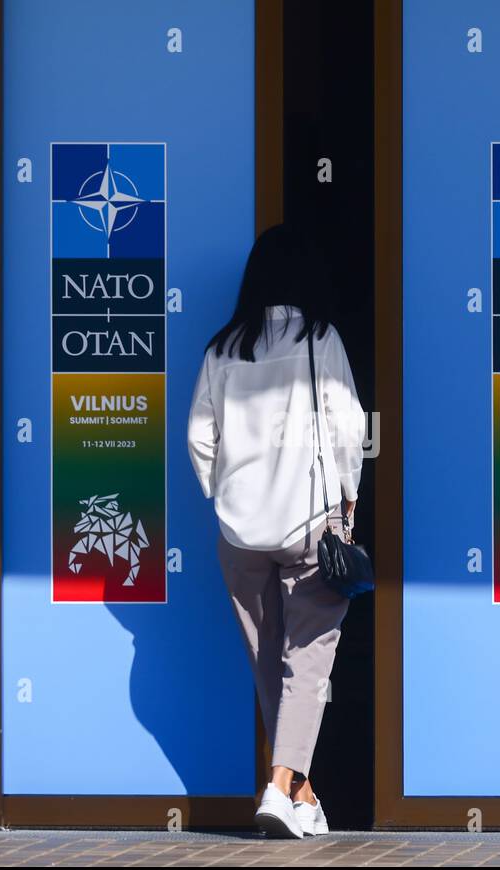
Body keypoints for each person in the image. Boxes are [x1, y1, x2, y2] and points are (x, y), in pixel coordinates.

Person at [186, 224, 366, 838]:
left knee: (269, 662)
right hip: (306, 522)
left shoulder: (223, 348)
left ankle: (300, 794)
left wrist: (223, 494)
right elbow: (348, 429)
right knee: (308, 660)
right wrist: (349, 499)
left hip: (240, 532)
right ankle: (280, 786)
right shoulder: (321, 340)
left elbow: (198, 438)